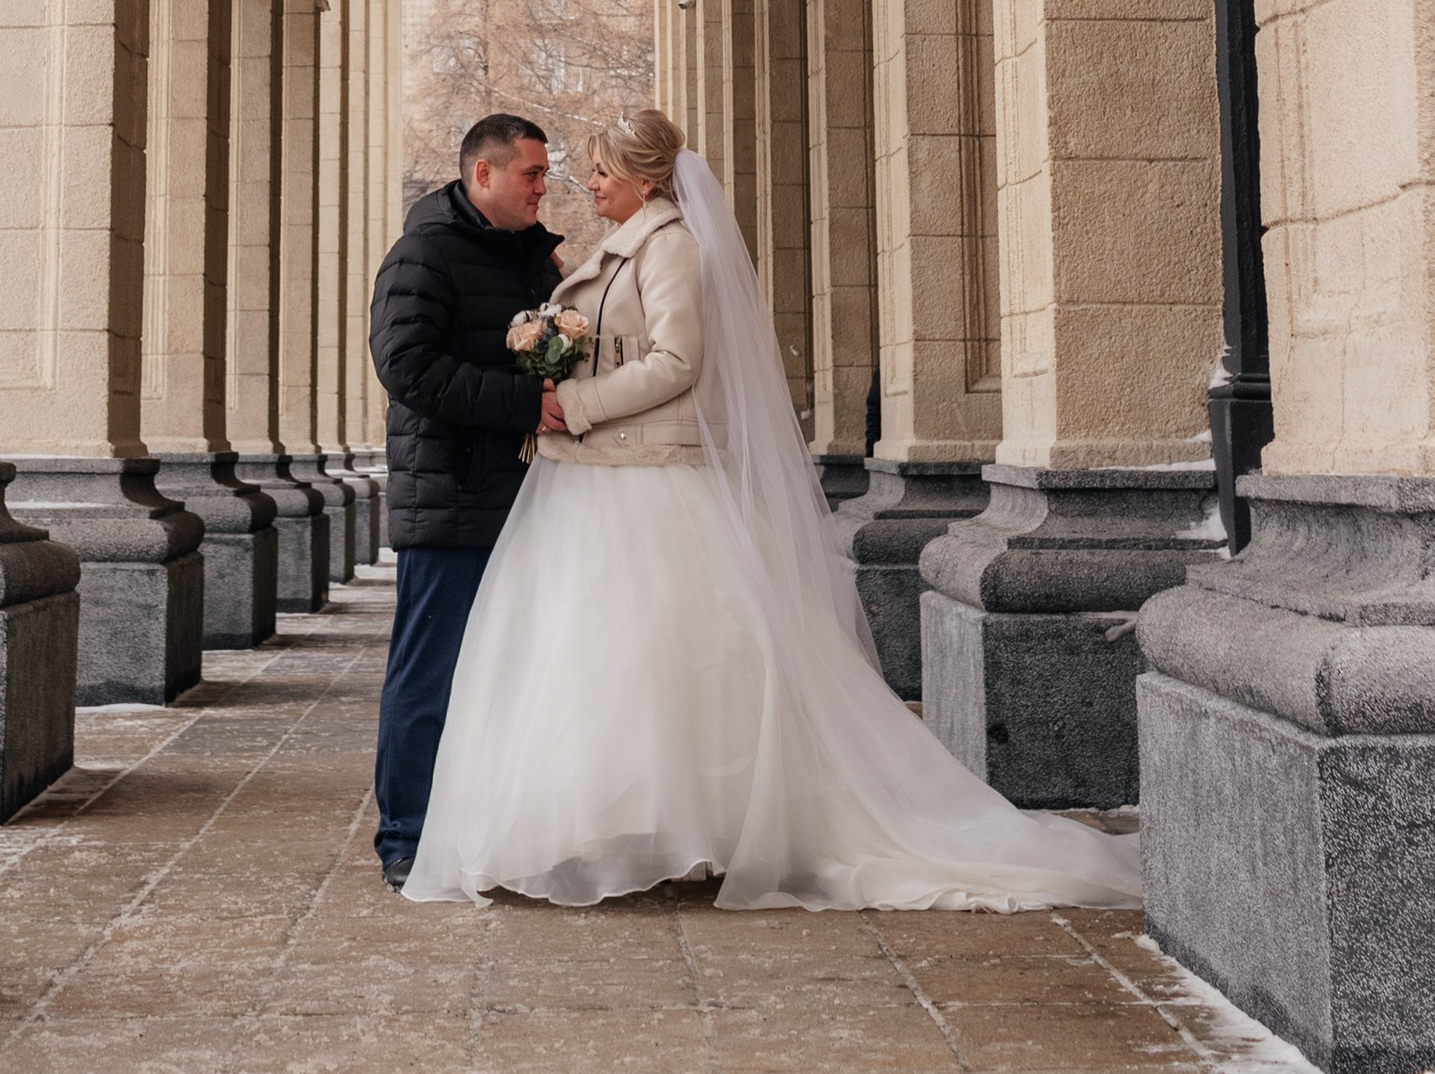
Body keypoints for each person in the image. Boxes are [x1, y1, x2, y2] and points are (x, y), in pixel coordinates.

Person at [404, 104, 1144, 913]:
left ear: (646, 177)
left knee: (668, 656)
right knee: (614, 659)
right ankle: (629, 823)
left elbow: (678, 361)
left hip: (644, 473)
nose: (589, 184)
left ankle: (703, 826)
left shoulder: (671, 246)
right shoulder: (623, 248)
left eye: (602, 170)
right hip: (602, 474)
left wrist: (573, 401)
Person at [366, 109, 560, 888]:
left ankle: (481, 826)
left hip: (525, 500)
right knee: (431, 673)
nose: (544, 187)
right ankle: (406, 836)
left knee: (507, 673)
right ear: (483, 173)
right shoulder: (423, 253)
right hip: (448, 500)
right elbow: (407, 367)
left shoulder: (534, 263)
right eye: (532, 173)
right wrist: (524, 404)